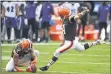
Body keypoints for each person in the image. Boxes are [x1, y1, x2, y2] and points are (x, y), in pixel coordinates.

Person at [39, 7, 104, 71]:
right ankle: (96, 42)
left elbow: (77, 17)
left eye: (60, 15)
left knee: (57, 52)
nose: (60, 16)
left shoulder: (70, 18)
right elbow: (66, 32)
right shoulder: (64, 19)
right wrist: (63, 42)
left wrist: (84, 12)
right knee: (81, 49)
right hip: (71, 41)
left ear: (64, 15)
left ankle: (47, 67)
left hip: (70, 42)